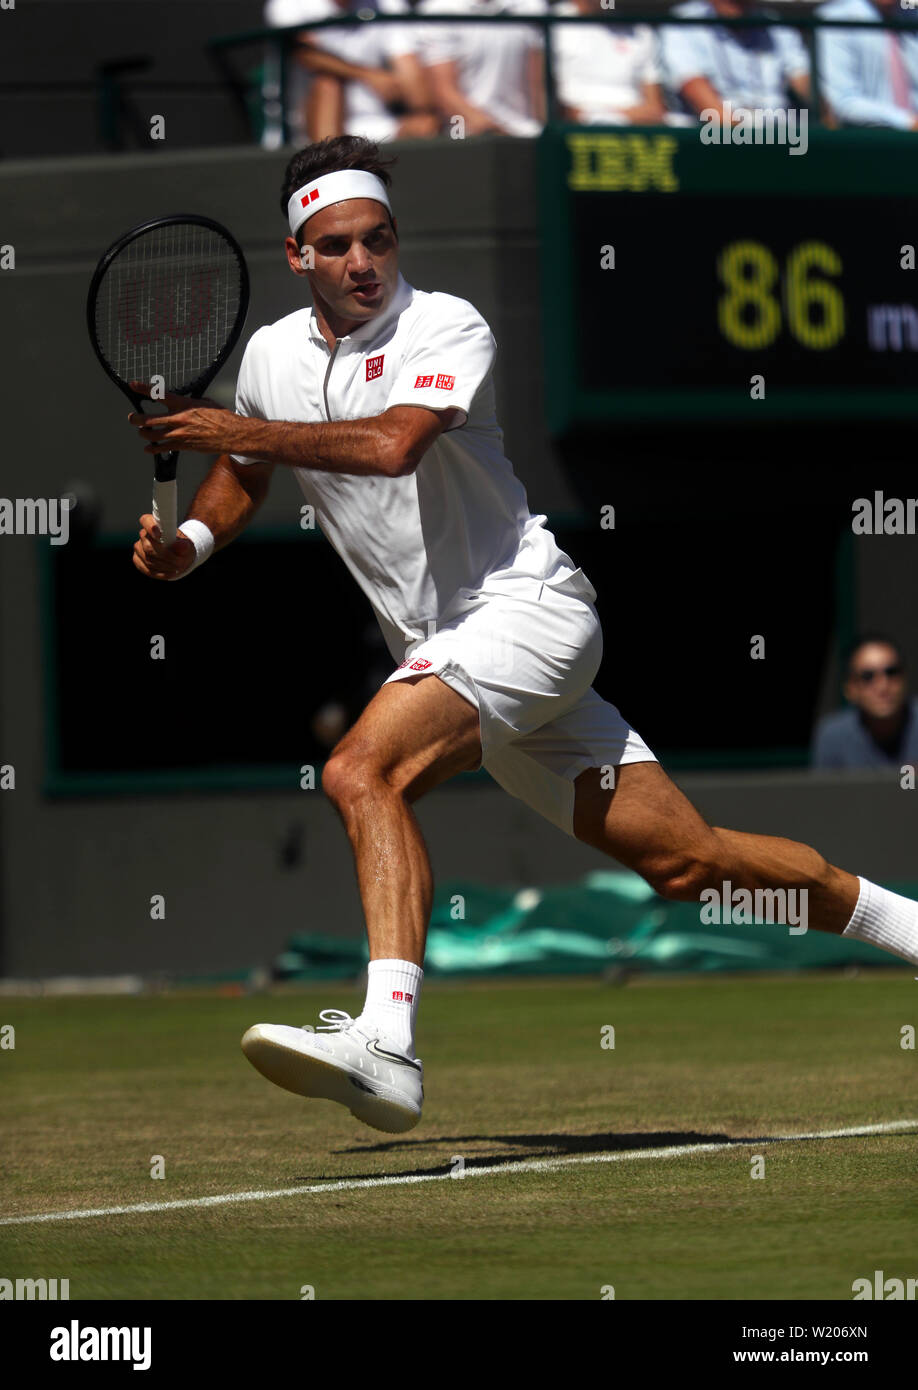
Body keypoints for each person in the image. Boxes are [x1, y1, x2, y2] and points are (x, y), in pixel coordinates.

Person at [129, 136, 918, 1136]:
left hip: (527, 616)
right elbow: (244, 480)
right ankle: (911, 926)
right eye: (337, 247)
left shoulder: (447, 324)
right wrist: (190, 542)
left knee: (357, 771)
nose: (364, 261)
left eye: (379, 239)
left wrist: (222, 427)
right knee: (690, 868)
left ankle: (387, 1042)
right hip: (455, 653)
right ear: (299, 257)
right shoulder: (273, 359)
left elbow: (390, 446)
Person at [265, 0, 437, 142]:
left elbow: (407, 65)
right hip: (305, 130)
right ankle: (328, 168)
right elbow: (305, 55)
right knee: (329, 84)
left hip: (378, 122)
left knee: (425, 125)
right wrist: (369, 76)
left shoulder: (389, 5)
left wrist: (420, 107)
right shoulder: (289, 5)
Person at [661, 0, 811, 122]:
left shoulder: (776, 26)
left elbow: (806, 84)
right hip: (715, 143)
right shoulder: (684, 23)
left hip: (781, 137)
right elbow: (713, 112)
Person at [416, 0, 547, 137]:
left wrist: (544, 133)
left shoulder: (531, 5)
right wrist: (493, 133)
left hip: (527, 134)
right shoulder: (439, 9)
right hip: (466, 137)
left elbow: (539, 86)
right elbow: (443, 92)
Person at [812, 634, 918, 769]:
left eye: (891, 672)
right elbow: (825, 790)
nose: (882, 686)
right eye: (867, 677)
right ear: (850, 689)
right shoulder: (833, 736)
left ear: (904, 679)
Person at [551, 2, 666, 125]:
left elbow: (655, 109)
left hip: (637, 130)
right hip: (575, 133)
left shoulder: (642, 31)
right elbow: (562, 109)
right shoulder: (552, 21)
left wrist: (609, 116)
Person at [818, 0, 918, 130]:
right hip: (867, 140)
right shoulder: (835, 17)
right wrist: (908, 122)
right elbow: (843, 102)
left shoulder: (911, 14)